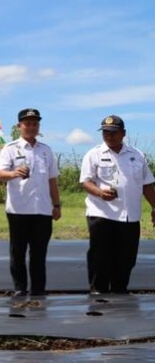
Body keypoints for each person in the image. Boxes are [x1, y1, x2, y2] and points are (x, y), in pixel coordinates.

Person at [79, 115, 155, 294]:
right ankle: (98, 290)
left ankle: (120, 289)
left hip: (129, 215)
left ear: (123, 133)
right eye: (105, 132)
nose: (109, 136)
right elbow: (85, 182)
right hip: (101, 213)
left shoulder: (137, 155)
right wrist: (99, 192)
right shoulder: (94, 154)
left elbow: (147, 185)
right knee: (100, 255)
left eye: (113, 132)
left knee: (127, 257)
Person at [0, 109, 61, 297]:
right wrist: (13, 173)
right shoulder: (10, 148)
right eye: (27, 123)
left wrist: (56, 205)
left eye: (35, 123)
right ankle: (19, 288)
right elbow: (0, 174)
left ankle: (38, 289)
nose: (31, 127)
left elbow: (52, 180)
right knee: (18, 251)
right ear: (19, 126)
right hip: (18, 209)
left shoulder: (46, 150)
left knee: (39, 253)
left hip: (42, 209)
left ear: (38, 126)